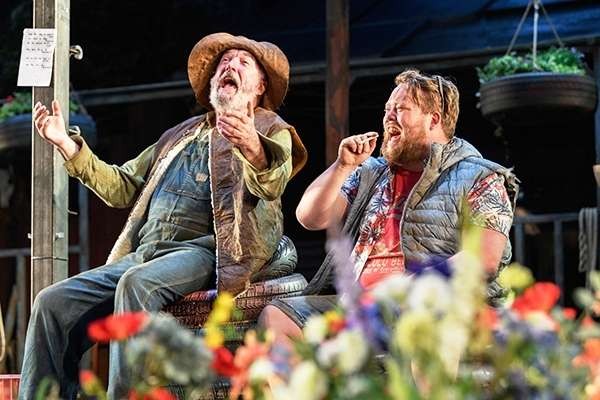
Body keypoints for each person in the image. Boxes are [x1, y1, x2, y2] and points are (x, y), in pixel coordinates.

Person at [20, 32, 307, 399]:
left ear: (260, 86)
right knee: (50, 302)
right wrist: (67, 144)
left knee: (136, 285)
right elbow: (123, 185)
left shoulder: (270, 129)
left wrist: (251, 144)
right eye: (224, 62)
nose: (230, 66)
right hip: (147, 254)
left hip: (208, 251)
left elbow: (273, 179)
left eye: (242, 63)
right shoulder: (178, 135)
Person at [259, 69, 518, 341]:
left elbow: (485, 258)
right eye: (387, 109)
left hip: (434, 305)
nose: (388, 116)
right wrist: (343, 166)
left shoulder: (479, 176)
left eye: (401, 109)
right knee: (277, 317)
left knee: (423, 321)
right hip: (361, 306)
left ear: (433, 119)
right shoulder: (371, 173)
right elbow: (310, 217)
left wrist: (411, 288)